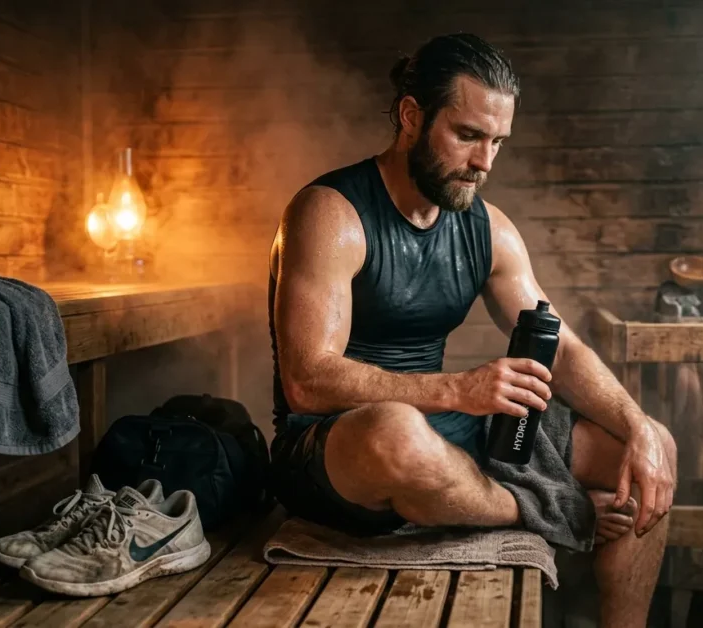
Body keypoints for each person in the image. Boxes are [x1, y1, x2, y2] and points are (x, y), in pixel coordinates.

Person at [266, 33, 677, 627]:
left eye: (497, 142)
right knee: (397, 433)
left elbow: (559, 344)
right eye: (467, 136)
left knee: (649, 451)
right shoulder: (330, 214)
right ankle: (546, 510)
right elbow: (308, 381)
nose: (484, 162)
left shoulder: (491, 230)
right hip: (335, 450)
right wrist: (458, 391)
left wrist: (637, 425)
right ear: (412, 117)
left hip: (442, 431)